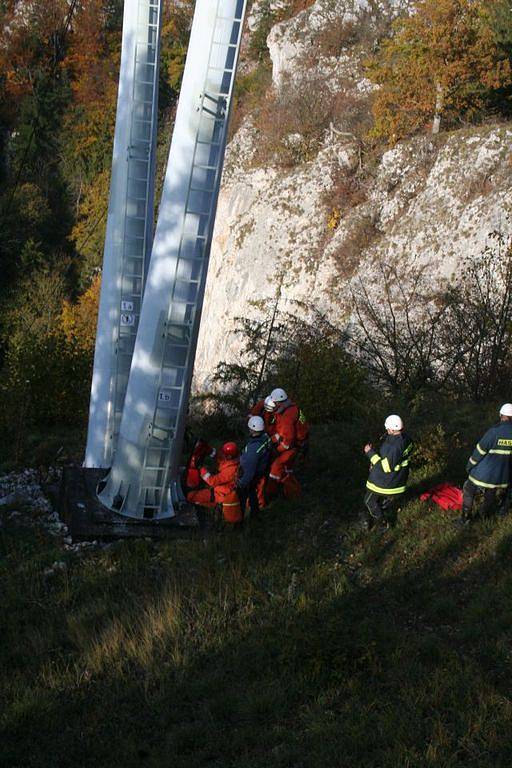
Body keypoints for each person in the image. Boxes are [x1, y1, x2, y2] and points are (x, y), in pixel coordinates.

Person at [458, 403, 512, 524]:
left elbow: (479, 451)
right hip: (501, 477)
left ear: (501, 415)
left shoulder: (494, 432)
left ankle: (465, 518)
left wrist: (469, 466)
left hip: (483, 474)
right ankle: (484, 515)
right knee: (491, 492)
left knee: (469, 488)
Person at [362, 414, 414, 530]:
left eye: (387, 429)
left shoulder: (395, 446)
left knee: (369, 501)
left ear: (391, 429)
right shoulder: (407, 440)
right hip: (398, 479)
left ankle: (382, 522)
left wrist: (370, 453)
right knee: (379, 501)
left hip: (387, 483)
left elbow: (386, 467)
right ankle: (384, 505)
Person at [186, 442, 241, 521]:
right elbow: (219, 457)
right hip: (218, 490)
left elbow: (212, 481)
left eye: (224, 454)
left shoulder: (231, 471)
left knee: (190, 496)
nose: (222, 455)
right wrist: (208, 449)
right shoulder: (232, 460)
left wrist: (201, 469)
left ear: (229, 456)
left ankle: (210, 509)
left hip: (220, 495)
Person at [267, 387, 303, 499]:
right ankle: (291, 491)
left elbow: (287, 441)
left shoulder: (286, 417)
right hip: (300, 442)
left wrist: (276, 450)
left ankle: (272, 494)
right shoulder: (291, 408)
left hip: (292, 446)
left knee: (275, 468)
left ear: (279, 402)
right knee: (288, 469)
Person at [238, 416, 272, 518]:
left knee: (243, 496)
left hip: (253, 474)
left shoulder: (253, 449)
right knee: (252, 492)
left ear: (252, 429)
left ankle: (239, 520)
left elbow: (249, 471)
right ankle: (255, 514)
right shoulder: (265, 438)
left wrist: (241, 483)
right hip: (260, 470)